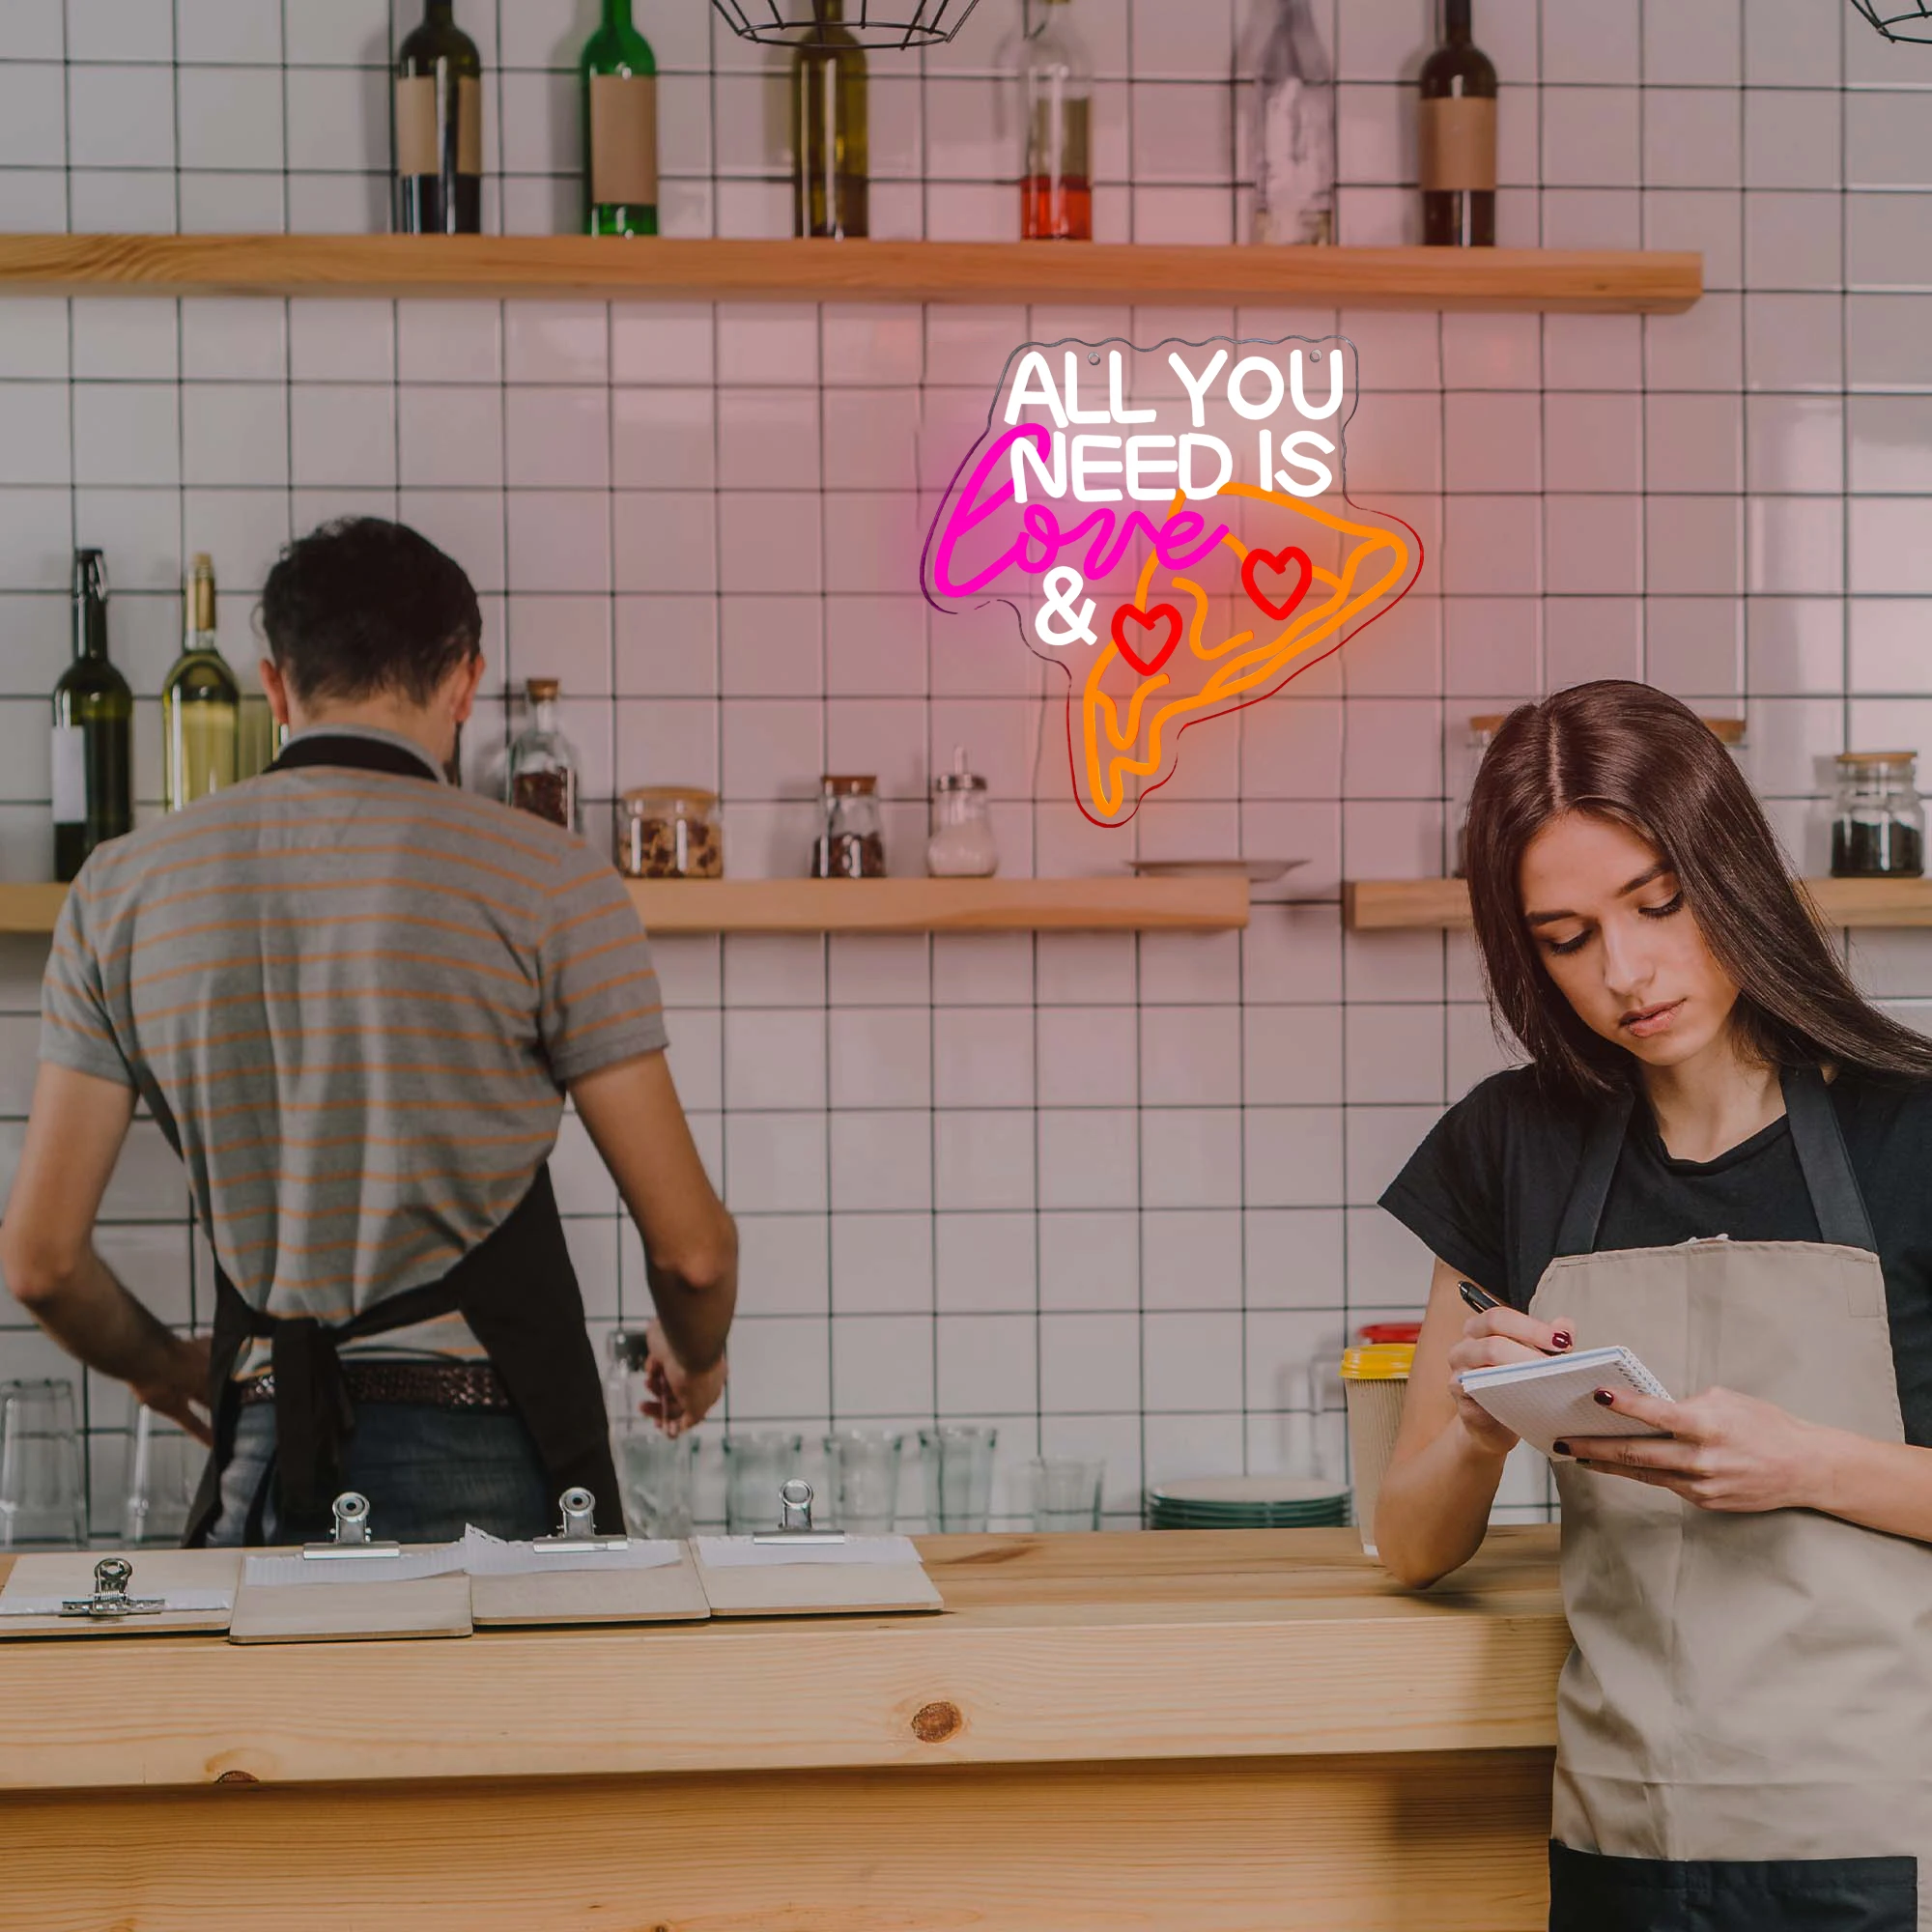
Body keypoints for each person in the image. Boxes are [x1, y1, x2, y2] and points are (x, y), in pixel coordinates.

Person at [0, 517, 736, 1546]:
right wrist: (693, 1355)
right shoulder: (549, 879)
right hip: (492, 1473)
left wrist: (166, 1367)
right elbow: (693, 1254)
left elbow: (39, 1260)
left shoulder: (119, 891)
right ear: (463, 680)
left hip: (260, 1461)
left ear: (276, 685)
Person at [1376, 680, 1932, 1932]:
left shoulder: (1912, 1129)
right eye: (1567, 938)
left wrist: (1806, 1464)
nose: (1626, 972)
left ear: (1726, 871)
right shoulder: (1508, 1148)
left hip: (1873, 1837)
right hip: (1623, 1833)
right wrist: (1477, 1423)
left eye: (1657, 906)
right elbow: (1409, 1543)